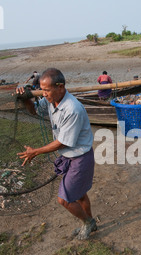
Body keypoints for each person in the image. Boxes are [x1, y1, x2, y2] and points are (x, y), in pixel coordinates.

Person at [16, 68, 97, 240]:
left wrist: (35, 152)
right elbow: (35, 111)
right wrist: (27, 99)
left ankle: (87, 222)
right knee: (80, 194)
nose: (43, 94)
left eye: (46, 90)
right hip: (69, 156)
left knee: (64, 199)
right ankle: (90, 221)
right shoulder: (52, 101)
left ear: (60, 87)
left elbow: (63, 142)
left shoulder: (72, 109)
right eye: (41, 89)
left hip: (80, 158)